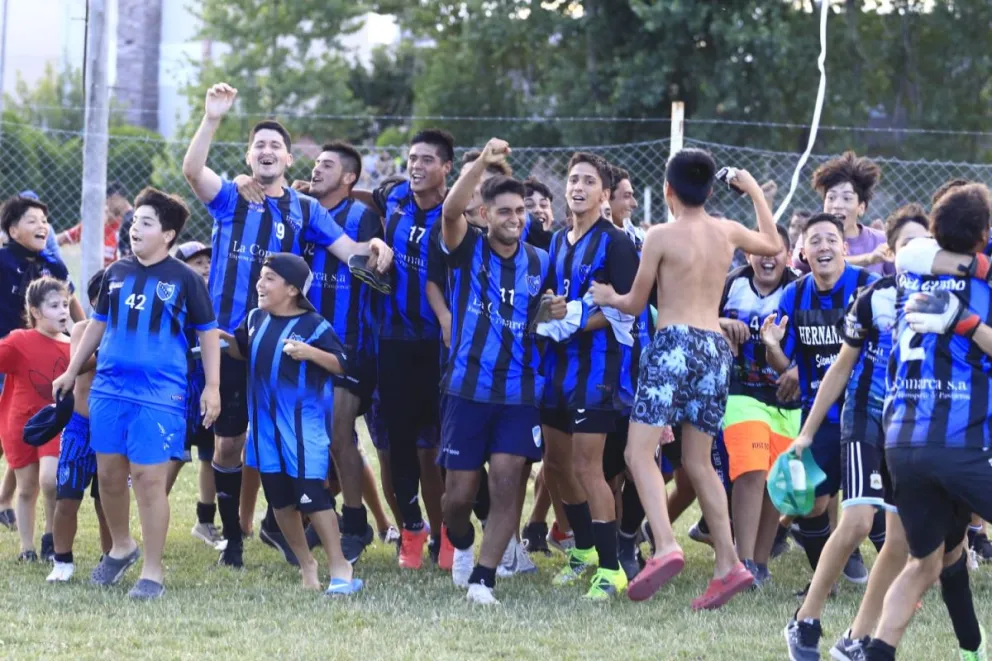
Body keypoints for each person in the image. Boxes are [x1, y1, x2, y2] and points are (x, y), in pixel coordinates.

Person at [181, 82, 392, 568]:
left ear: (289, 159)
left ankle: (292, 529)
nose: (268, 151)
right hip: (230, 340)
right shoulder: (231, 197)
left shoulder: (305, 209)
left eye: (276, 145)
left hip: (283, 343)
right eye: (259, 145)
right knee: (230, 442)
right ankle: (232, 537)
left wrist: (378, 247)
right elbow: (193, 171)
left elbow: (348, 252)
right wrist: (212, 117)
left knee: (288, 437)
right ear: (249, 156)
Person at [590, 151, 781, 609]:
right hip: (716, 349)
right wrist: (753, 188)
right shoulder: (727, 231)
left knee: (639, 451)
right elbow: (773, 243)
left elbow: (636, 304)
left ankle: (665, 545)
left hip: (673, 344)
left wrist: (606, 295)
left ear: (669, 191)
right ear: (712, 192)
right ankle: (729, 563)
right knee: (699, 462)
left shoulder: (659, 235)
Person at [52, 187, 222, 601]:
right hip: (108, 391)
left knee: (147, 480)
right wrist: (73, 370)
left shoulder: (185, 278)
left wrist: (213, 387)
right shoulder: (116, 273)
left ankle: (152, 570)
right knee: (109, 476)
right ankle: (122, 546)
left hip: (159, 395)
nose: (134, 228)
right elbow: (96, 324)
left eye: (146, 222)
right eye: (135, 221)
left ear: (168, 234)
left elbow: (208, 333)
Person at [781, 205, 929, 661]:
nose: (917, 253)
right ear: (891, 252)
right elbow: (841, 367)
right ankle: (805, 622)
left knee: (900, 541)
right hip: (863, 415)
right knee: (859, 521)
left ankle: (855, 638)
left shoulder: (948, 301)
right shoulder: (874, 296)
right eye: (907, 245)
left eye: (926, 246)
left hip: (906, 429)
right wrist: (805, 434)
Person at [860, 183, 992, 661]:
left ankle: (878, 651)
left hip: (902, 446)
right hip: (959, 442)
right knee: (931, 559)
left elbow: (914, 250)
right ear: (983, 234)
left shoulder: (911, 271)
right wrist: (969, 325)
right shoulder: (981, 288)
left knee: (924, 562)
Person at [438, 138, 562, 604]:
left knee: (508, 482)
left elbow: (542, 313)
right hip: (466, 390)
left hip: (518, 391)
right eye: (505, 211)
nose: (515, 219)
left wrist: (550, 311)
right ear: (486, 215)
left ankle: (484, 579)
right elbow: (451, 211)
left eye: (520, 212)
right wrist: (483, 165)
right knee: (457, 497)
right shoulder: (466, 247)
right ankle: (464, 545)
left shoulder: (539, 260)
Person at [220, 253, 363, 595]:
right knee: (281, 502)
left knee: (313, 497)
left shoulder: (314, 325)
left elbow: (344, 365)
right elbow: (244, 347)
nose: (260, 283)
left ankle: (340, 566)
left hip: (303, 429)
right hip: (265, 430)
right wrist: (221, 340)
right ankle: (306, 564)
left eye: (269, 278)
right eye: (261, 277)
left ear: (293, 289)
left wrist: (310, 353)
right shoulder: (255, 318)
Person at [351, 129, 454, 569]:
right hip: (390, 341)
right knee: (397, 446)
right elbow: (365, 195)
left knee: (437, 450)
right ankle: (412, 529)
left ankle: (449, 533)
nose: (416, 166)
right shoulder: (393, 199)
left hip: (437, 346)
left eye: (427, 159)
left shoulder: (456, 214)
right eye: (412, 158)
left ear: (446, 168)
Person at [539, 151, 638, 600]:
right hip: (555, 368)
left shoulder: (617, 244)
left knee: (587, 468)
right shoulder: (558, 241)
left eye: (588, 181)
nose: (578, 187)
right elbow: (548, 304)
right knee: (555, 466)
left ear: (604, 194)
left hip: (597, 370)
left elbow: (630, 310)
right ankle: (583, 549)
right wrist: (548, 312)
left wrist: (576, 316)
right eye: (573, 179)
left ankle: (612, 567)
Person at [759, 213, 878, 585]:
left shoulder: (869, 288)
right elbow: (783, 365)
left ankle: (907, 581)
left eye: (830, 239)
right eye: (815, 241)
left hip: (871, 413)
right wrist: (772, 347)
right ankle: (824, 582)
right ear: (803, 252)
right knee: (811, 505)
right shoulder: (794, 295)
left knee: (878, 508)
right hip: (821, 416)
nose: (823, 246)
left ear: (844, 247)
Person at [292, 141, 386, 563]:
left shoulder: (364, 218)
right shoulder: (301, 210)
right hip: (302, 338)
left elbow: (374, 263)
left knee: (339, 432)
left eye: (327, 165)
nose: (316, 170)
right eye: (315, 164)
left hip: (349, 342)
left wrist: (379, 246)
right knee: (309, 433)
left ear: (349, 177)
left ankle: (354, 521)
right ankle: (317, 515)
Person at [717, 224, 800, 587]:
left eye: (776, 250)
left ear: (788, 254)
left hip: (785, 398)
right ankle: (742, 560)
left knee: (774, 480)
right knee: (750, 470)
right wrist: (721, 322)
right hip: (740, 392)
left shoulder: (799, 290)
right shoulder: (732, 282)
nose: (768, 257)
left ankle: (760, 564)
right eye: (760, 250)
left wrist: (782, 355)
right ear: (747, 253)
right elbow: (698, 314)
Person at [0, 195, 83, 531]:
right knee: (12, 432)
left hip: (42, 359)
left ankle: (5, 499)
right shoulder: (3, 261)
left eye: (44, 221)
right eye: (32, 220)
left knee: (30, 428)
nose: (42, 226)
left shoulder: (54, 266)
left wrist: (86, 333)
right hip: (9, 356)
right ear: (12, 228)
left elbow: (72, 304)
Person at [0, 277, 72, 561]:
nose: (63, 311)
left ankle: (50, 536)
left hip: (56, 423)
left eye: (65, 304)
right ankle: (26, 548)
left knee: (50, 480)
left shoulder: (73, 345)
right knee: (27, 488)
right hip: (22, 424)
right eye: (54, 306)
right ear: (36, 312)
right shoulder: (19, 341)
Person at [48, 271, 113, 581]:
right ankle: (62, 560)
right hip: (80, 426)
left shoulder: (136, 334)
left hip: (113, 429)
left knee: (107, 501)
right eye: (106, 300)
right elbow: (79, 363)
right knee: (67, 497)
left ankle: (110, 559)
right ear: (93, 302)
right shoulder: (84, 330)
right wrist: (108, 348)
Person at [164, 241, 223, 549]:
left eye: (207, 261)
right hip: (180, 387)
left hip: (207, 387)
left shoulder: (215, 298)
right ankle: (154, 508)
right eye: (196, 261)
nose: (204, 267)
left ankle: (205, 520)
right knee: (176, 454)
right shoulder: (174, 298)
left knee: (210, 454)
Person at [812, 152, 892, 276]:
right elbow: (817, 264)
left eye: (847, 198)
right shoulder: (810, 236)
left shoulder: (881, 241)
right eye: (831, 197)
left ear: (861, 207)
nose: (837, 205)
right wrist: (868, 259)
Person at [55, 181, 132, 267]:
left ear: (116, 198)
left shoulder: (131, 223)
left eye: (108, 202)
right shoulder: (100, 222)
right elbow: (62, 238)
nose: (106, 206)